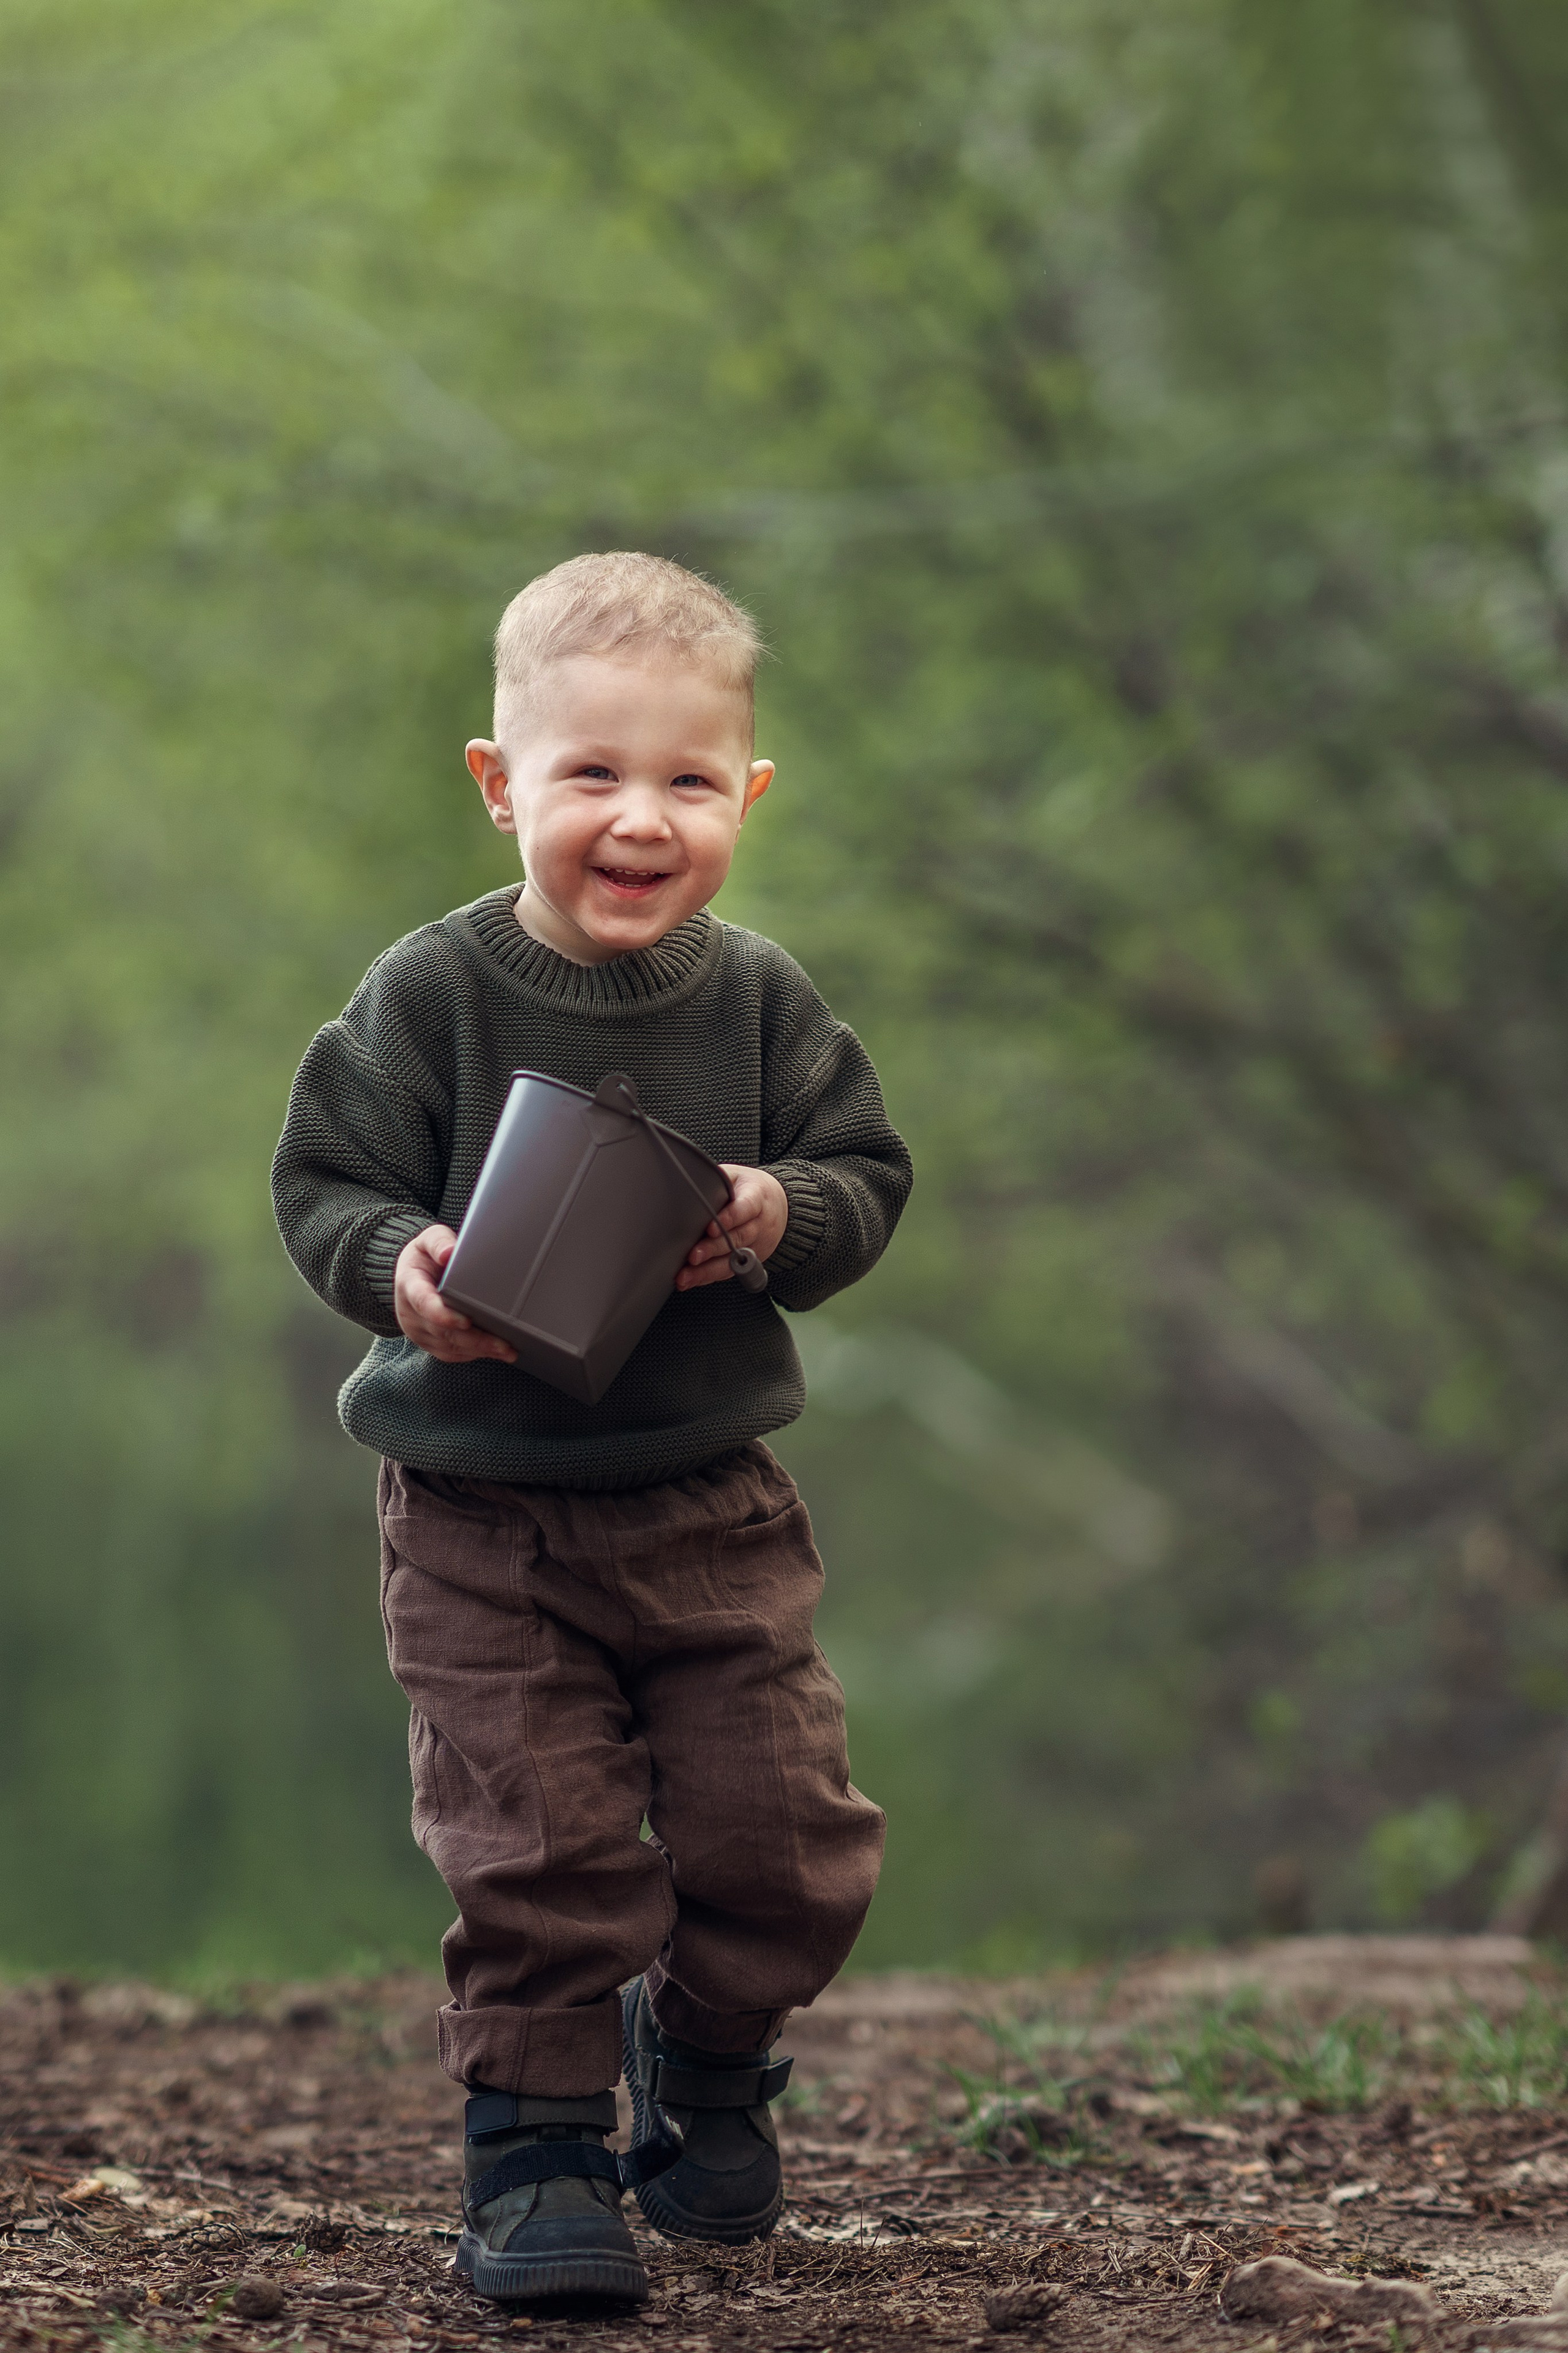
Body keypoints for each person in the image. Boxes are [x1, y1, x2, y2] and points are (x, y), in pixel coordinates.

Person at [271, 552, 912, 2306]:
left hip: (710, 1503)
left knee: (786, 1844)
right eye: (593, 776)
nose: (644, 819)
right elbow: (327, 1182)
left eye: (690, 781)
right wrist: (401, 1267)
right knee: (538, 1837)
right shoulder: (435, 994)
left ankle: (703, 2056)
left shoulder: (765, 1002)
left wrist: (782, 1210)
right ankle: (536, 2155)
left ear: (748, 796)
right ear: (503, 784)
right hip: (485, 1507)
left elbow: (868, 1177)